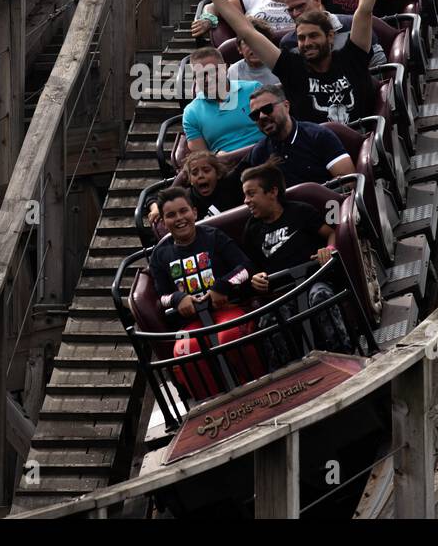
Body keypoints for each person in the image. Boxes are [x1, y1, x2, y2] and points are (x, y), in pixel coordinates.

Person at [196, 0, 389, 126]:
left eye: (313, 35)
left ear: (330, 36)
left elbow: (365, 8)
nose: (307, 42)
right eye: (302, 38)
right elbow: (247, 31)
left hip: (356, 143)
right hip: (311, 146)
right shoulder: (292, 68)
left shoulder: (351, 58)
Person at [148, 189, 262, 393]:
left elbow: (246, 267)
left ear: (194, 212)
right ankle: (211, 402)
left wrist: (223, 286)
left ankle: (258, 387)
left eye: (183, 211)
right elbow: (161, 296)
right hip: (193, 321)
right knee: (184, 351)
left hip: (226, 308)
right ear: (164, 222)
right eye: (171, 215)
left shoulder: (214, 236)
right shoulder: (160, 255)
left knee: (231, 334)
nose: (179, 218)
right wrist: (178, 298)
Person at [241, 160, 352, 362]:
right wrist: (256, 278)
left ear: (272, 192)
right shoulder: (252, 229)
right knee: (268, 321)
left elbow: (331, 233)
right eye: (245, 195)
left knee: (321, 297)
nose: (246, 201)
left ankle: (343, 357)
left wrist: (328, 250)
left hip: (312, 281)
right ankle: (286, 374)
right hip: (284, 293)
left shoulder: (299, 211)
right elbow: (252, 267)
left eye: (251, 194)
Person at [243, 85, 356, 187]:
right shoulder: (259, 153)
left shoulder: (318, 136)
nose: (262, 116)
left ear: (286, 106)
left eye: (267, 109)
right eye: (255, 115)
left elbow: (349, 181)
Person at [279, 0, 386, 69]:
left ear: (317, 0)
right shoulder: (288, 43)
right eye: (290, 10)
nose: (295, 13)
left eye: (300, 6)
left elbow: (378, 65)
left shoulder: (353, 25)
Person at [182, 46, 266, 155]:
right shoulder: (191, 112)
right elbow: (202, 157)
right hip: (225, 166)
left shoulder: (254, 89)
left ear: (225, 68)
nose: (208, 79)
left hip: (263, 155)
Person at [146, 150, 245, 227]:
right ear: (190, 179)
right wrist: (156, 208)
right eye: (194, 173)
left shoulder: (230, 183)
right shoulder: (187, 196)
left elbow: (251, 158)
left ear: (217, 174)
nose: (200, 175)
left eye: (206, 171)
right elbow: (151, 197)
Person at [228, 18, 280, 88]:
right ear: (239, 49)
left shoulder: (282, 65)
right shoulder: (234, 71)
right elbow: (231, 98)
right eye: (247, 42)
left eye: (259, 42)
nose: (254, 47)